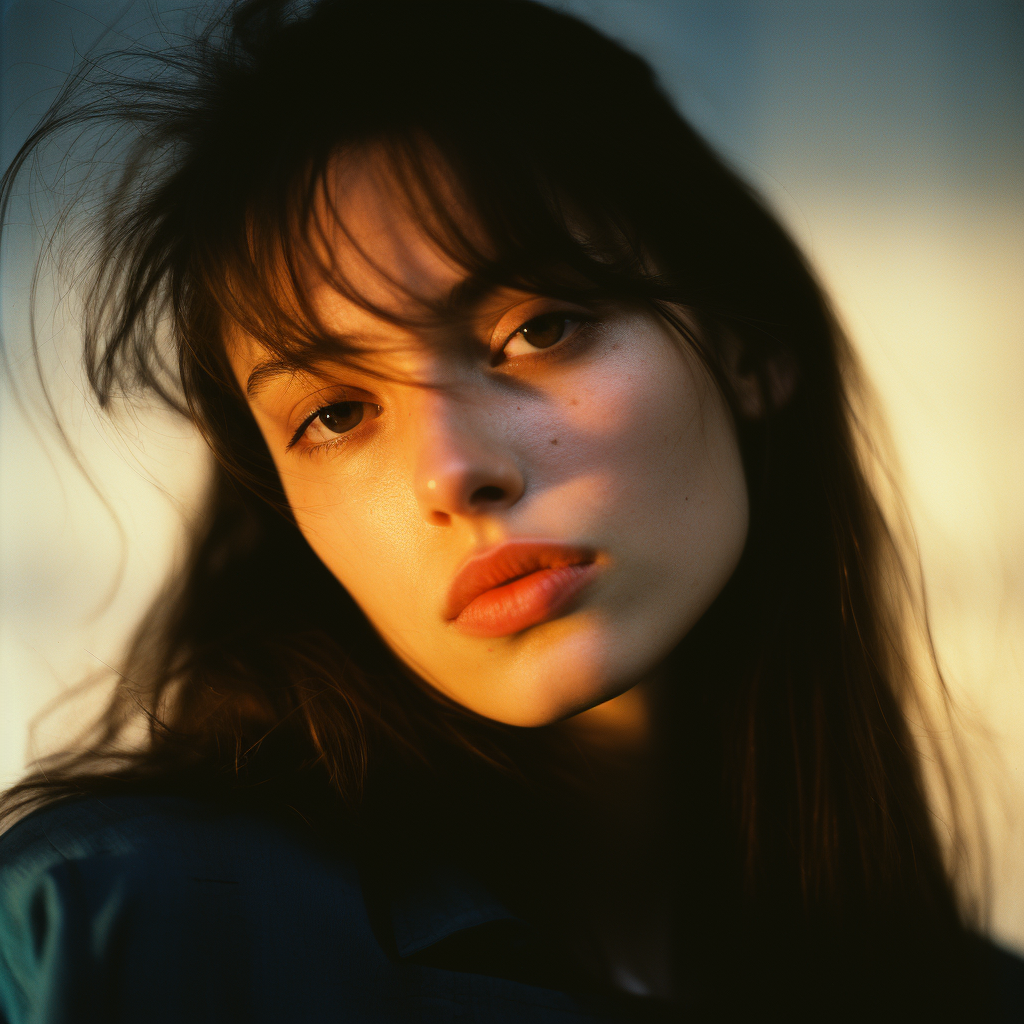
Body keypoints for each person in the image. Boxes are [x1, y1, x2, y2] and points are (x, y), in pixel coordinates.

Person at [0, 1, 1019, 1020]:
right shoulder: (101, 929)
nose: (451, 472)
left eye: (538, 326)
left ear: (746, 345)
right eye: (337, 412)